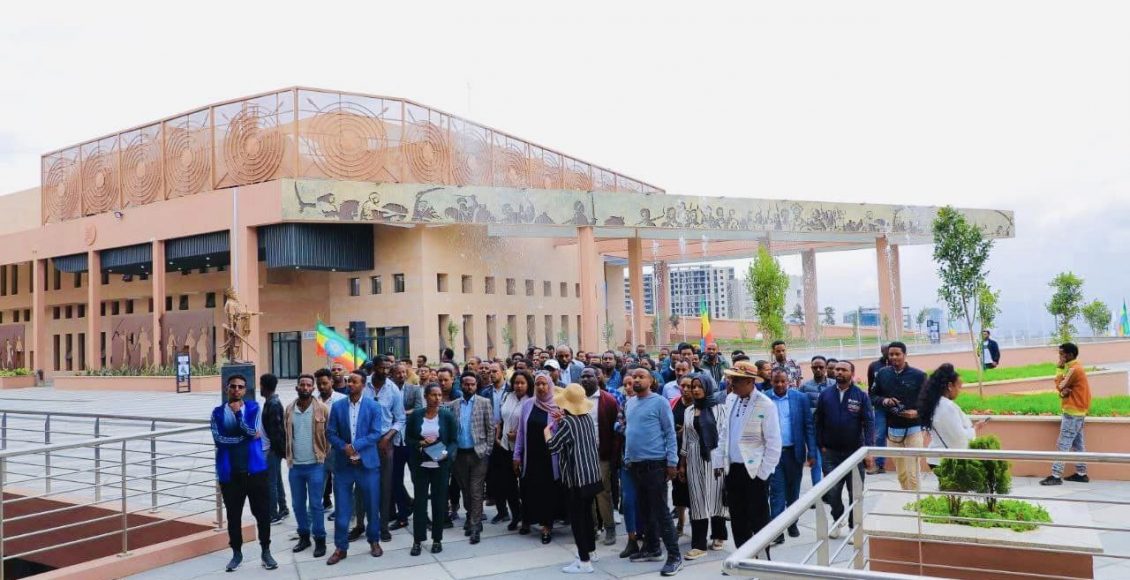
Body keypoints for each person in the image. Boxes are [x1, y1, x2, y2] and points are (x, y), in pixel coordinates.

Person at [210, 374, 276, 572]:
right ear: (226, 389)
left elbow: (251, 430)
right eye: (233, 386)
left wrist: (238, 415)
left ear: (245, 390)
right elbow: (219, 440)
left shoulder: (253, 408)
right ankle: (236, 553)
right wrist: (243, 438)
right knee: (233, 516)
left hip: (255, 471)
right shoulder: (217, 413)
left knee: (262, 514)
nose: (236, 390)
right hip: (230, 474)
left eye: (240, 387)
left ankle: (266, 551)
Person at [624, 367, 683, 577]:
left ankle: (675, 556)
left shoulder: (659, 402)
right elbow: (630, 432)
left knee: (661, 512)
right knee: (644, 509)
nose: (636, 380)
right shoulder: (630, 403)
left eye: (641, 377)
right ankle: (652, 548)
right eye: (634, 377)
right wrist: (627, 457)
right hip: (635, 465)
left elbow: (669, 433)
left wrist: (672, 462)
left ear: (651, 381)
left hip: (655, 465)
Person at [720, 361, 782, 552]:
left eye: (737, 380)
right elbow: (724, 432)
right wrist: (720, 461)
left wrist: (762, 474)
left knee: (759, 519)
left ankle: (763, 561)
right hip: (732, 469)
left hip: (754, 471)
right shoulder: (731, 399)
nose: (732, 383)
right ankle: (742, 559)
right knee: (738, 519)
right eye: (731, 378)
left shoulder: (766, 404)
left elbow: (774, 443)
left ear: (749, 381)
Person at [326, 370, 384, 565]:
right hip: (344, 466)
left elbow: (376, 433)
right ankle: (340, 548)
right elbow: (330, 433)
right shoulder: (338, 406)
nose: (350, 384)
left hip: (367, 465)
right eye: (349, 381)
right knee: (342, 509)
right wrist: (345, 448)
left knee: (372, 506)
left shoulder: (373, 406)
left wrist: (355, 446)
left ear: (363, 385)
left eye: (354, 381)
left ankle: (374, 540)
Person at [545, 383, 604, 574]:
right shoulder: (586, 419)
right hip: (592, 476)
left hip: (576, 478)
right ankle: (591, 551)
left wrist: (547, 432)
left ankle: (584, 561)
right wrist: (562, 420)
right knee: (587, 516)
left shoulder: (568, 423)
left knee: (578, 520)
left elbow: (553, 446)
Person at [814, 361, 874, 538]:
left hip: (855, 454)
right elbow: (818, 421)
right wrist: (820, 445)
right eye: (837, 369)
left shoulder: (861, 396)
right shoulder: (825, 395)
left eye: (843, 370)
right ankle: (838, 519)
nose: (839, 372)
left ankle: (853, 527)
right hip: (830, 454)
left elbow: (869, 423)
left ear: (852, 374)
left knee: (855, 493)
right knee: (832, 493)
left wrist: (868, 450)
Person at [678, 374, 728, 559]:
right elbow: (686, 438)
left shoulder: (720, 409)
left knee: (716, 499)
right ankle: (699, 544)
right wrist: (682, 464)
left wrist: (725, 462)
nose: (696, 390)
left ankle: (719, 535)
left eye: (699, 386)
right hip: (694, 459)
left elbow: (725, 436)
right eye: (693, 387)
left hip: (716, 459)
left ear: (708, 387)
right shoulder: (689, 411)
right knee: (697, 501)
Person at [406, 384, 459, 556]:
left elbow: (453, 441)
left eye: (439, 395)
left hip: (440, 466)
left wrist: (445, 453)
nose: (437, 398)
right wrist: (420, 443)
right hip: (420, 466)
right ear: (426, 396)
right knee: (420, 503)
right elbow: (408, 439)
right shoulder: (416, 415)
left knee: (439, 503)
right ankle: (417, 540)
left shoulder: (447, 416)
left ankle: (437, 539)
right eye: (433, 395)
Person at [765, 369, 816, 545]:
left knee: (793, 491)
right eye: (776, 381)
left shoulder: (800, 398)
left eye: (782, 381)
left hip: (794, 452)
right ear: (771, 381)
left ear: (788, 382)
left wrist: (812, 452)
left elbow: (808, 426)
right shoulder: (765, 398)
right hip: (773, 454)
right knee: (777, 492)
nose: (779, 385)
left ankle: (792, 522)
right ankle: (777, 530)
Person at [870, 341, 927, 491]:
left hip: (914, 430)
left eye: (897, 354)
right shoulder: (882, 374)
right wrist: (885, 401)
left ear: (905, 355)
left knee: (913, 474)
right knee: (901, 475)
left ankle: (915, 503)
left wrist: (917, 412)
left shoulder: (919, 375)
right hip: (893, 431)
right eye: (891, 354)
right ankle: (907, 499)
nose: (894, 357)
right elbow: (872, 396)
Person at [285, 373, 330, 558]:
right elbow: (286, 434)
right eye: (302, 384)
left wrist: (324, 454)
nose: (305, 387)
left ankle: (320, 539)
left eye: (308, 385)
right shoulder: (289, 409)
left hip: (315, 466)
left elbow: (329, 435)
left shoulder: (322, 409)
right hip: (295, 466)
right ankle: (304, 537)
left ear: (313, 388)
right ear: (297, 387)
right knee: (297, 505)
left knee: (316, 505)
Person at [514, 371, 562, 542]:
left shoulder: (558, 406)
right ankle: (527, 520)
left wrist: (561, 420)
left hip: (550, 457)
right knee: (529, 489)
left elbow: (563, 431)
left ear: (550, 385)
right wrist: (517, 455)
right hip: (531, 456)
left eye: (544, 384)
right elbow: (521, 432)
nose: (541, 387)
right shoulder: (528, 404)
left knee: (547, 491)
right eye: (538, 384)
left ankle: (547, 526)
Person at [448, 372, 495, 544]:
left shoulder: (484, 402)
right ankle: (470, 516)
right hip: (459, 454)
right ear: (461, 385)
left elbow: (490, 428)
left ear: (476, 386)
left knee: (476, 490)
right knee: (465, 490)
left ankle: (475, 526)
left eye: (472, 384)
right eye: (466, 384)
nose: (469, 387)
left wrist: (488, 449)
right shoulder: (453, 405)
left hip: (478, 453)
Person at [579, 366, 622, 545]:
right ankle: (593, 527)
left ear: (598, 378)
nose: (585, 379)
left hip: (601, 454)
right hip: (582, 454)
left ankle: (609, 528)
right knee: (586, 493)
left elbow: (616, 431)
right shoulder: (577, 399)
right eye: (582, 376)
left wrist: (613, 457)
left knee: (603, 493)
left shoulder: (608, 400)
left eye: (589, 376)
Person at [1041, 342, 1092, 485]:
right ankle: (1081, 474)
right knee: (1078, 444)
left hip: (1073, 412)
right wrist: (1063, 392)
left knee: (1063, 443)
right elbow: (1064, 389)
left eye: (1061, 354)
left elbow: (1060, 385)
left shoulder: (1074, 369)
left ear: (1070, 355)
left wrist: (1058, 369)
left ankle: (1056, 476)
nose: (1060, 357)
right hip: (1078, 411)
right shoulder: (1074, 367)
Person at [491, 369, 531, 530]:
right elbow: (502, 419)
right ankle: (516, 515)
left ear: (528, 384)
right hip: (505, 447)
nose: (519, 386)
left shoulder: (532, 400)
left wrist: (519, 435)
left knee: (525, 486)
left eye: (522, 383)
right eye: (516, 383)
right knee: (508, 485)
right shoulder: (508, 396)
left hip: (524, 449)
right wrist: (498, 435)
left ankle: (527, 519)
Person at [918, 363, 977, 469]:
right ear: (950, 386)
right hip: (947, 460)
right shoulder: (947, 406)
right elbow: (959, 436)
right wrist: (974, 430)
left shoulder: (934, 403)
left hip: (936, 457)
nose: (959, 391)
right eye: (958, 387)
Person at [392, 362, 423, 531]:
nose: (401, 375)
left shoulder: (414, 389)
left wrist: (401, 413)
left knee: (417, 479)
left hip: (411, 441)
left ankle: (422, 515)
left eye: (404, 372)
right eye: (398, 373)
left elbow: (419, 409)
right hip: (395, 442)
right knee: (395, 481)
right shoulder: (389, 391)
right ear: (392, 374)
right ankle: (402, 515)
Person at [799, 356, 836, 486]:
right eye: (815, 367)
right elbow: (801, 408)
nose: (818, 369)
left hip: (831, 431)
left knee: (830, 463)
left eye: (821, 367)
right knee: (815, 462)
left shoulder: (834, 385)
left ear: (826, 368)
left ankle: (830, 491)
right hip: (813, 430)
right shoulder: (805, 387)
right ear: (811, 368)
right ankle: (817, 492)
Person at [259, 374, 289, 525]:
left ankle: (273, 514)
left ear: (264, 386)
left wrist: (276, 450)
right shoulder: (270, 402)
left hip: (272, 449)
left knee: (270, 482)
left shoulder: (273, 404)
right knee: (276, 479)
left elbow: (276, 430)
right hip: (273, 449)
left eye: (260, 384)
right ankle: (283, 508)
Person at [315, 368, 345, 517]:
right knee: (317, 482)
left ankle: (341, 510)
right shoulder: (314, 400)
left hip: (336, 448)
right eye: (319, 384)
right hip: (318, 449)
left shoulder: (341, 400)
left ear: (331, 382)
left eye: (325, 383)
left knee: (339, 482)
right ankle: (315, 511)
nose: (322, 387)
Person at [670, 375, 694, 537]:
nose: (685, 389)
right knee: (678, 490)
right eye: (682, 386)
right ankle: (680, 521)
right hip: (677, 452)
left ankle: (695, 519)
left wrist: (687, 430)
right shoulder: (673, 403)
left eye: (689, 386)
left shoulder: (699, 405)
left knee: (694, 490)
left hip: (694, 454)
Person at [866, 344, 890, 475]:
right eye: (886, 350)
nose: (888, 352)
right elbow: (870, 387)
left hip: (896, 406)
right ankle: (880, 465)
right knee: (880, 435)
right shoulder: (873, 366)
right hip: (880, 406)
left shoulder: (898, 365)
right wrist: (872, 403)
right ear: (881, 351)